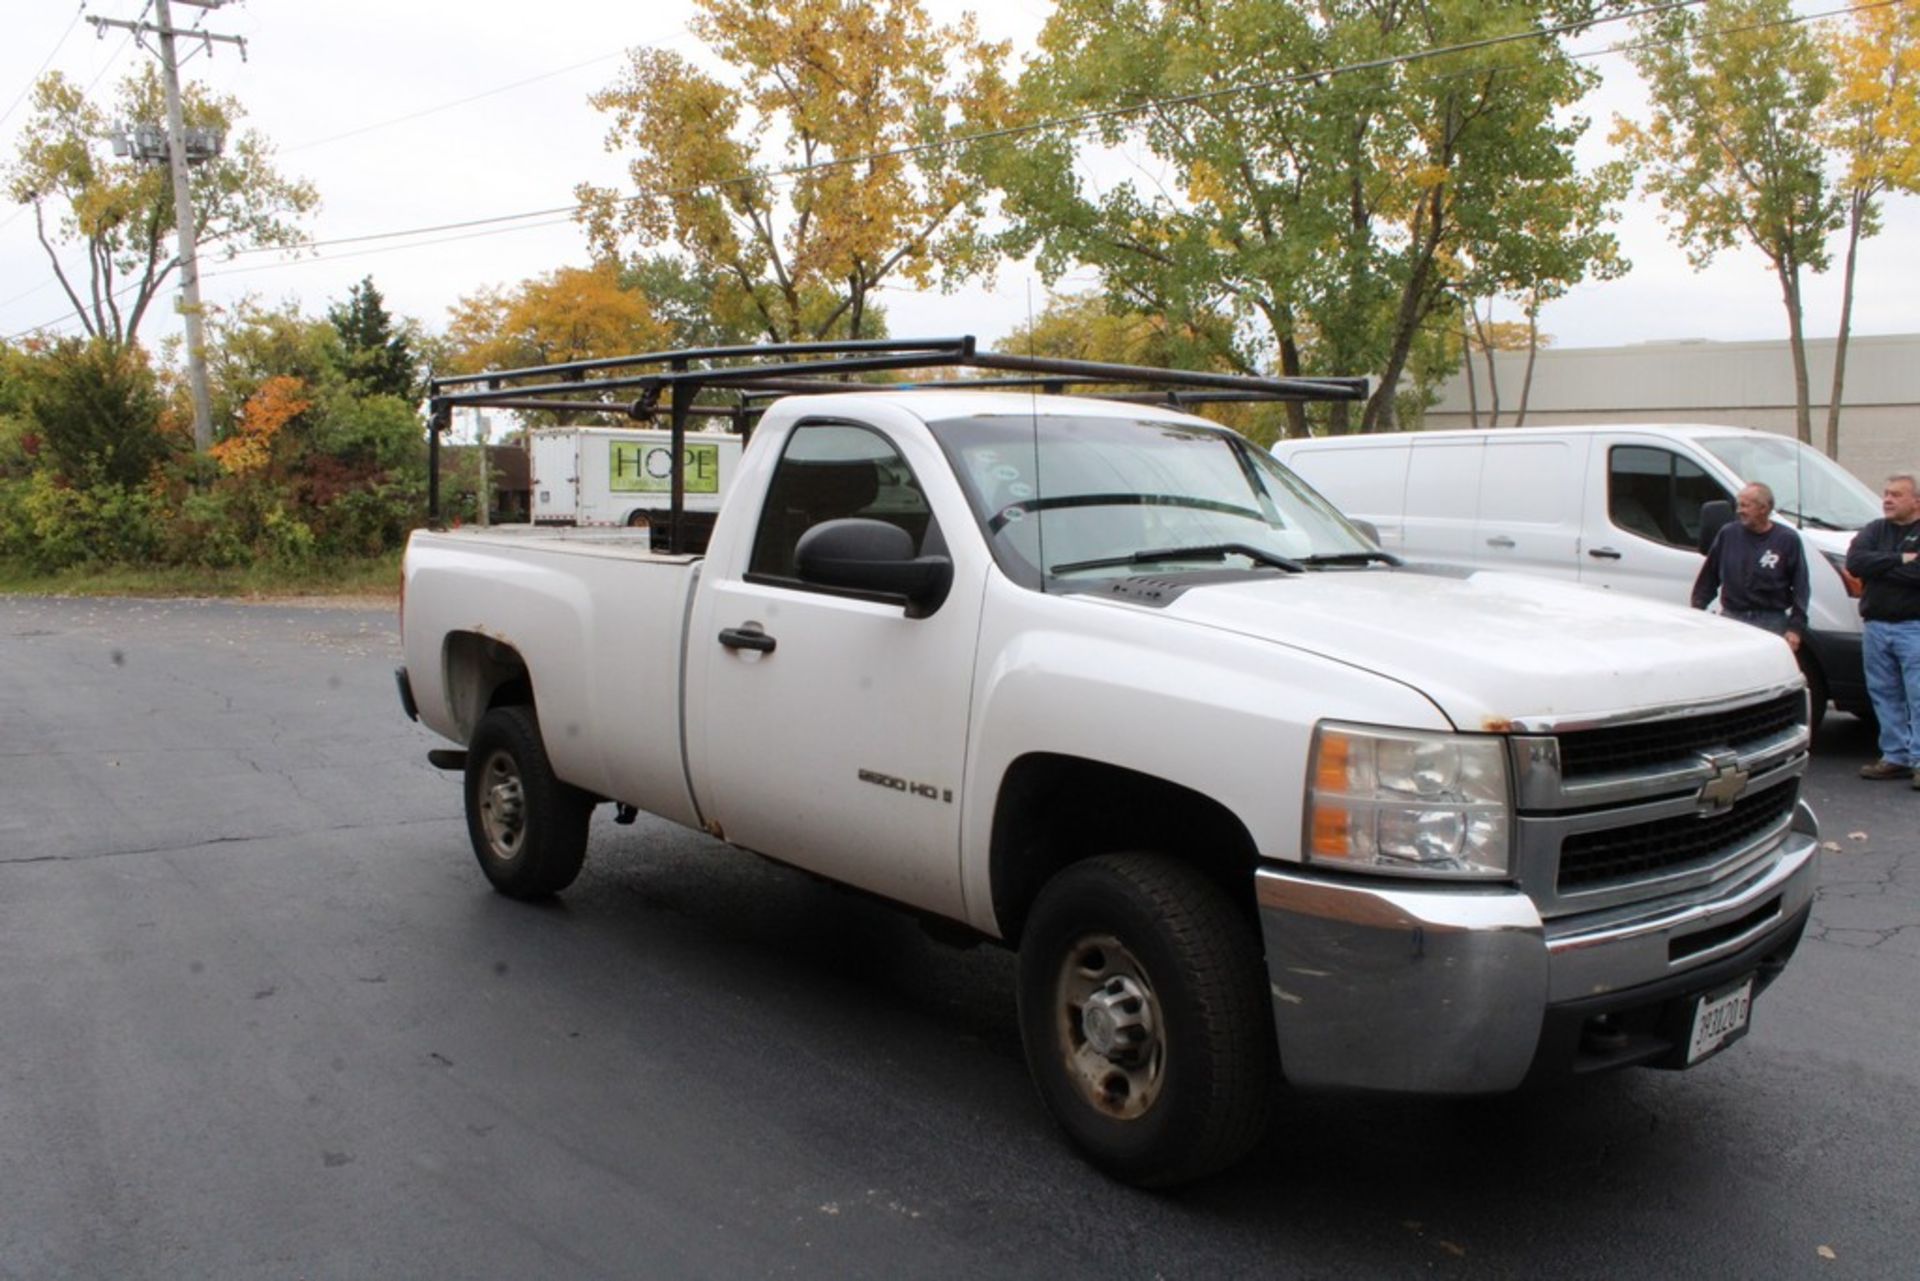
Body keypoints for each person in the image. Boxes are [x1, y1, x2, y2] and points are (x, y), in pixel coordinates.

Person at [1845, 473, 1920, 782]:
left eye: (1896, 495)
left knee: (1917, 696)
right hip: (1876, 627)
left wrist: (1880, 568)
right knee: (1884, 694)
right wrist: (1900, 559)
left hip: (1913, 628)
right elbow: (1855, 563)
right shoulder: (1875, 529)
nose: (1887, 499)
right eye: (1886, 493)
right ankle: (1895, 756)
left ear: (1916, 501)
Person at [1691, 482, 1809, 652]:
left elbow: (1801, 587)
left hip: (1771, 621)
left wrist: (1795, 628)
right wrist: (1697, 610)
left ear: (1763, 508)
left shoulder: (1787, 539)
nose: (1739, 510)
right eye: (1738, 505)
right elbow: (1709, 577)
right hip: (1732, 618)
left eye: (1745, 505)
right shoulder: (1728, 534)